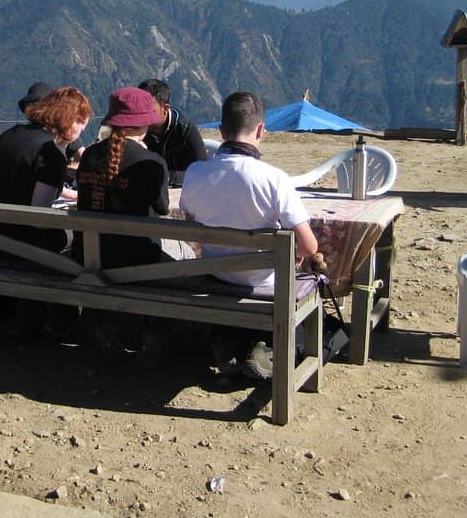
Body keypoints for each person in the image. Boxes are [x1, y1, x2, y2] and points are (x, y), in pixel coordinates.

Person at [180, 91, 319, 377]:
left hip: (214, 272)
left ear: (221, 132)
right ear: (260, 130)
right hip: (264, 281)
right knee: (310, 273)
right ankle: (266, 345)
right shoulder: (274, 178)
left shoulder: (195, 172)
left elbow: (191, 223)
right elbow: (309, 245)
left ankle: (232, 341)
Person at [0, 86, 92, 252]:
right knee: (84, 233)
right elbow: (40, 219)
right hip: (18, 243)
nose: (82, 130)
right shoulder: (52, 154)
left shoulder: (10, 134)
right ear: (69, 119)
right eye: (81, 123)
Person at [74, 87, 171, 266]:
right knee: (184, 252)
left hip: (85, 256)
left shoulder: (89, 154)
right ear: (144, 123)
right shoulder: (151, 162)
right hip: (135, 261)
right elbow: (163, 208)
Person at [137, 78, 207, 186]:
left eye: (149, 111)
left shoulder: (185, 129)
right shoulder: (137, 130)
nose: (143, 116)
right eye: (140, 110)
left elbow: (203, 171)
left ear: (165, 108)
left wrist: (168, 176)